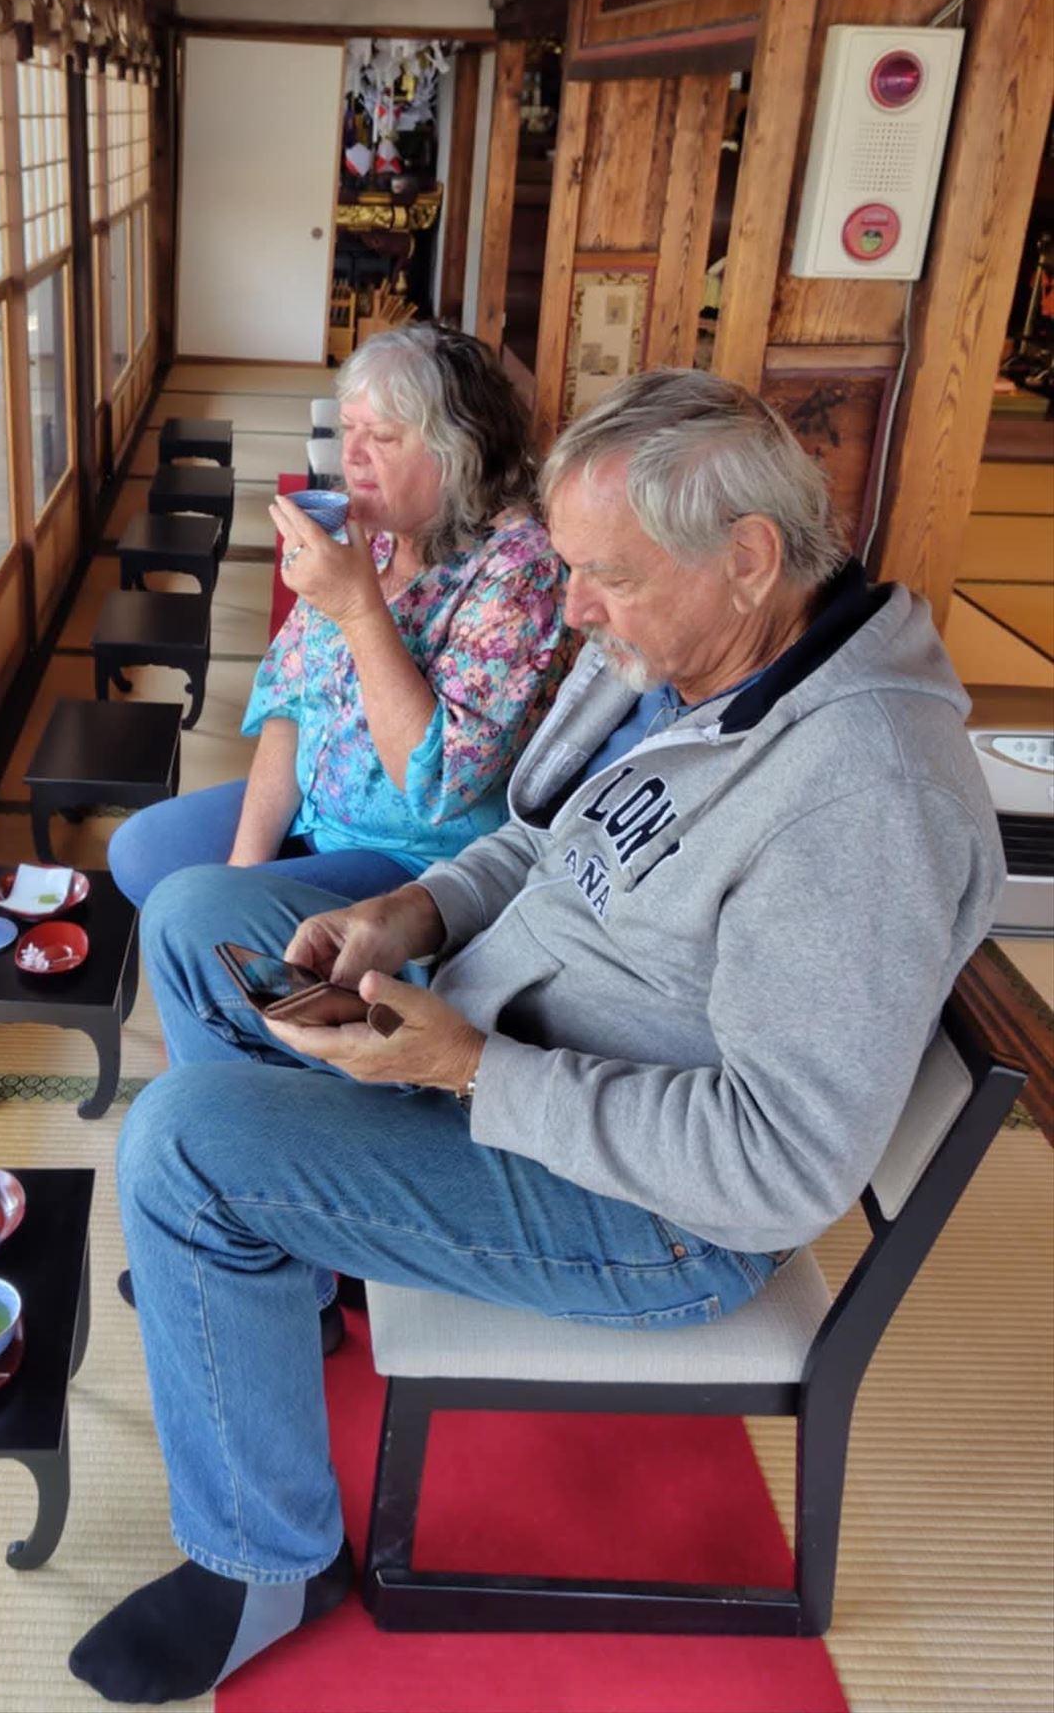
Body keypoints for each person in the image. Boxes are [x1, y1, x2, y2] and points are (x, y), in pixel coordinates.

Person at [68, 369, 1005, 1706]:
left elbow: (782, 1168)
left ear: (746, 558)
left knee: (184, 1148)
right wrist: (409, 907)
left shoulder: (860, 806)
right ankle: (284, 1264)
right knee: (200, 915)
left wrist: (469, 1068)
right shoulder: (677, 654)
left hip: (650, 1213)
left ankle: (261, 1559)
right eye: (567, 569)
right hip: (504, 1031)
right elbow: (536, 831)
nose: (573, 609)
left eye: (603, 576)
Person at [107, 325, 568, 908]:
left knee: (192, 912)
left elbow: (439, 783)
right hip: (316, 804)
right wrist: (244, 867)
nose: (350, 456)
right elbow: (290, 699)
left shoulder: (520, 572)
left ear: (458, 453)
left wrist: (356, 606)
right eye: (348, 429)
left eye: (381, 437)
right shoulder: (367, 534)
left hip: (414, 856)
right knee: (140, 850)